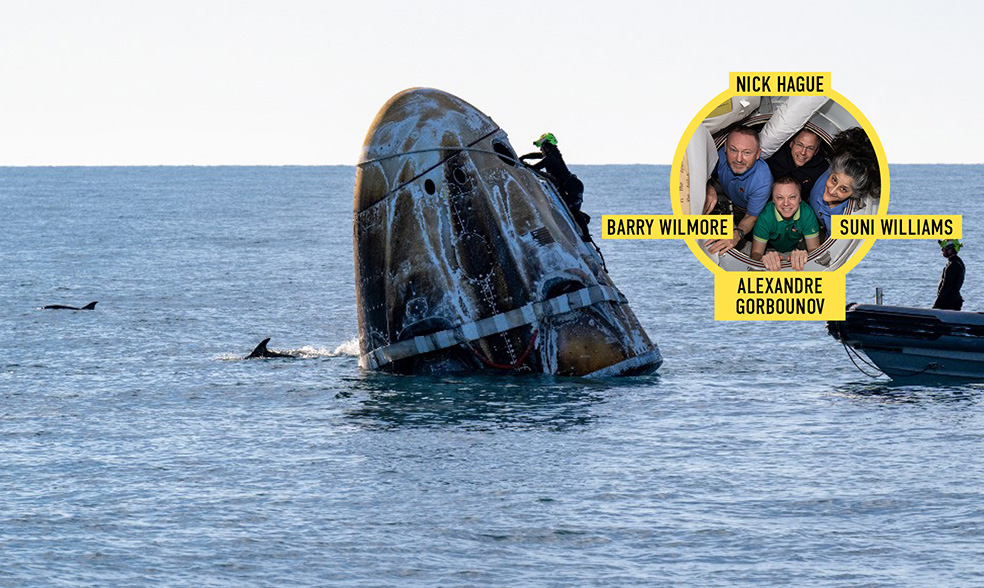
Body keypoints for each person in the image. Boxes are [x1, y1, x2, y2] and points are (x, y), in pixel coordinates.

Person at [703, 126, 774, 254]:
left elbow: (751, 217)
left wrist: (737, 234)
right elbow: (702, 171)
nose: (738, 159)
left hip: (745, 209)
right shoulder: (720, 156)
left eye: (747, 153)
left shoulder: (762, 182)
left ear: (758, 154)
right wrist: (708, 186)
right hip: (725, 191)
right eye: (733, 150)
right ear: (725, 147)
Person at [808, 128, 880, 240]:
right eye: (834, 180)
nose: (832, 190)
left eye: (844, 189)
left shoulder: (841, 222)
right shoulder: (836, 170)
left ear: (854, 194)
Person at [520, 132, 590, 239]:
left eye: (542, 147)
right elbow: (537, 156)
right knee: (567, 208)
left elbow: (537, 167)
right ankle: (585, 218)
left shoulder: (552, 158)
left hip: (574, 187)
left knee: (573, 210)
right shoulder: (551, 155)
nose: (541, 150)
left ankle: (586, 234)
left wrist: (525, 165)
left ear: (546, 147)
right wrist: (523, 157)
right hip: (566, 187)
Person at [750, 176, 821, 271]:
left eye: (792, 197)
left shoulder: (807, 213)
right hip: (772, 248)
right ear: (773, 200)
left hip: (797, 245)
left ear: (800, 198)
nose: (786, 203)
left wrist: (807, 256)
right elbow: (755, 254)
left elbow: (814, 249)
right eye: (780, 198)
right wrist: (762, 259)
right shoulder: (765, 217)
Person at [765, 128, 828, 194]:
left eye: (810, 148)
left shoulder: (821, 171)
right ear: (791, 143)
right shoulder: (774, 156)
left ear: (816, 151)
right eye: (799, 145)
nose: (803, 152)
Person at [934, 239, 965, 311]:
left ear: (951, 249)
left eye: (944, 248)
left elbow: (946, 287)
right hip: (951, 301)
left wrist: (937, 306)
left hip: (949, 303)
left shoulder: (954, 265)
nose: (942, 251)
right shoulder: (956, 262)